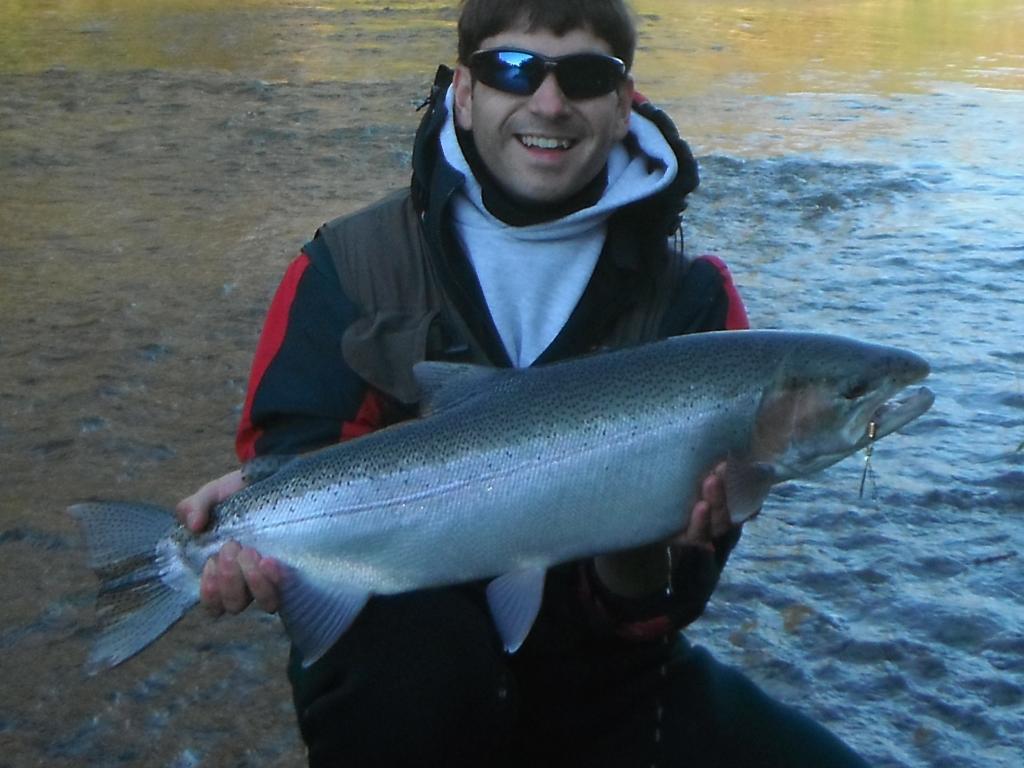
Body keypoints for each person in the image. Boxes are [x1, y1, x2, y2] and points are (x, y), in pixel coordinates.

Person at [178, 1, 870, 766]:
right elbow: (295, 445)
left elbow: (667, 604)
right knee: (421, 683)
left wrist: (646, 556)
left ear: (622, 103)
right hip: (397, 681)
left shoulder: (694, 302)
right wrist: (256, 517)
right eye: (515, 71)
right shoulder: (346, 266)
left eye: (584, 76)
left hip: (604, 682)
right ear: (465, 95)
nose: (549, 102)